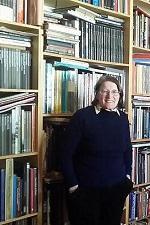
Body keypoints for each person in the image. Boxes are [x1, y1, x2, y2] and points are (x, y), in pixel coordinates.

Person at [60, 75, 133, 225]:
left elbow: (127, 149)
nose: (110, 96)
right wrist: (73, 186)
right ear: (96, 93)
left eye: (114, 92)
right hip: (87, 191)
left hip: (117, 189)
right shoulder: (82, 117)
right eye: (104, 91)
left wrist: (127, 176)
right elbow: (65, 154)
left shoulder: (122, 118)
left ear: (120, 95)